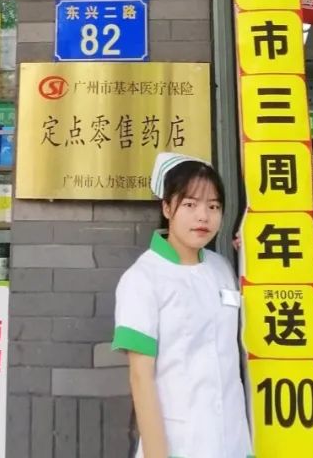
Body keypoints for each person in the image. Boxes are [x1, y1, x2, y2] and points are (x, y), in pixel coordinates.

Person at [112, 153, 253, 458]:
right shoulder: (142, 279)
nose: (203, 217)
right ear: (167, 208)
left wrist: (253, 251)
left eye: (213, 206)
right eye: (190, 204)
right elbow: (140, 377)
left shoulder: (222, 268)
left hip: (232, 442)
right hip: (181, 444)